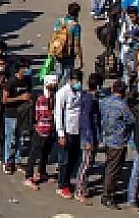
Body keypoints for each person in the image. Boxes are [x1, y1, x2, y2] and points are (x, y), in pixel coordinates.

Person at [97, 80, 134, 208]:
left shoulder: (104, 102)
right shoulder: (123, 106)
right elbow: (131, 120)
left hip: (107, 138)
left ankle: (107, 191)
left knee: (109, 167)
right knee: (113, 170)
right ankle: (108, 196)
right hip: (118, 142)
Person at [54, 68, 85, 200]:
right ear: (71, 80)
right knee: (64, 160)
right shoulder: (62, 93)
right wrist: (61, 133)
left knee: (74, 158)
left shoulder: (79, 92)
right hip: (66, 131)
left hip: (77, 130)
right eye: (76, 81)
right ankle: (62, 185)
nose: (78, 83)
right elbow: (58, 114)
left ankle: (67, 181)